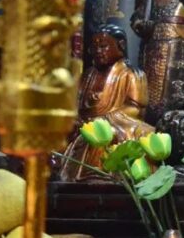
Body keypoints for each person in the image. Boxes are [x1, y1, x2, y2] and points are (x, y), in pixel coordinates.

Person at [60, 25, 154, 180]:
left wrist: (104, 119)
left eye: (103, 46)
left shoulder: (131, 74)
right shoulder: (89, 75)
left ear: (121, 46)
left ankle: (98, 172)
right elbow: (77, 104)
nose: (98, 51)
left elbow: (135, 108)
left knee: (105, 133)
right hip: (86, 124)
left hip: (117, 122)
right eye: (94, 47)